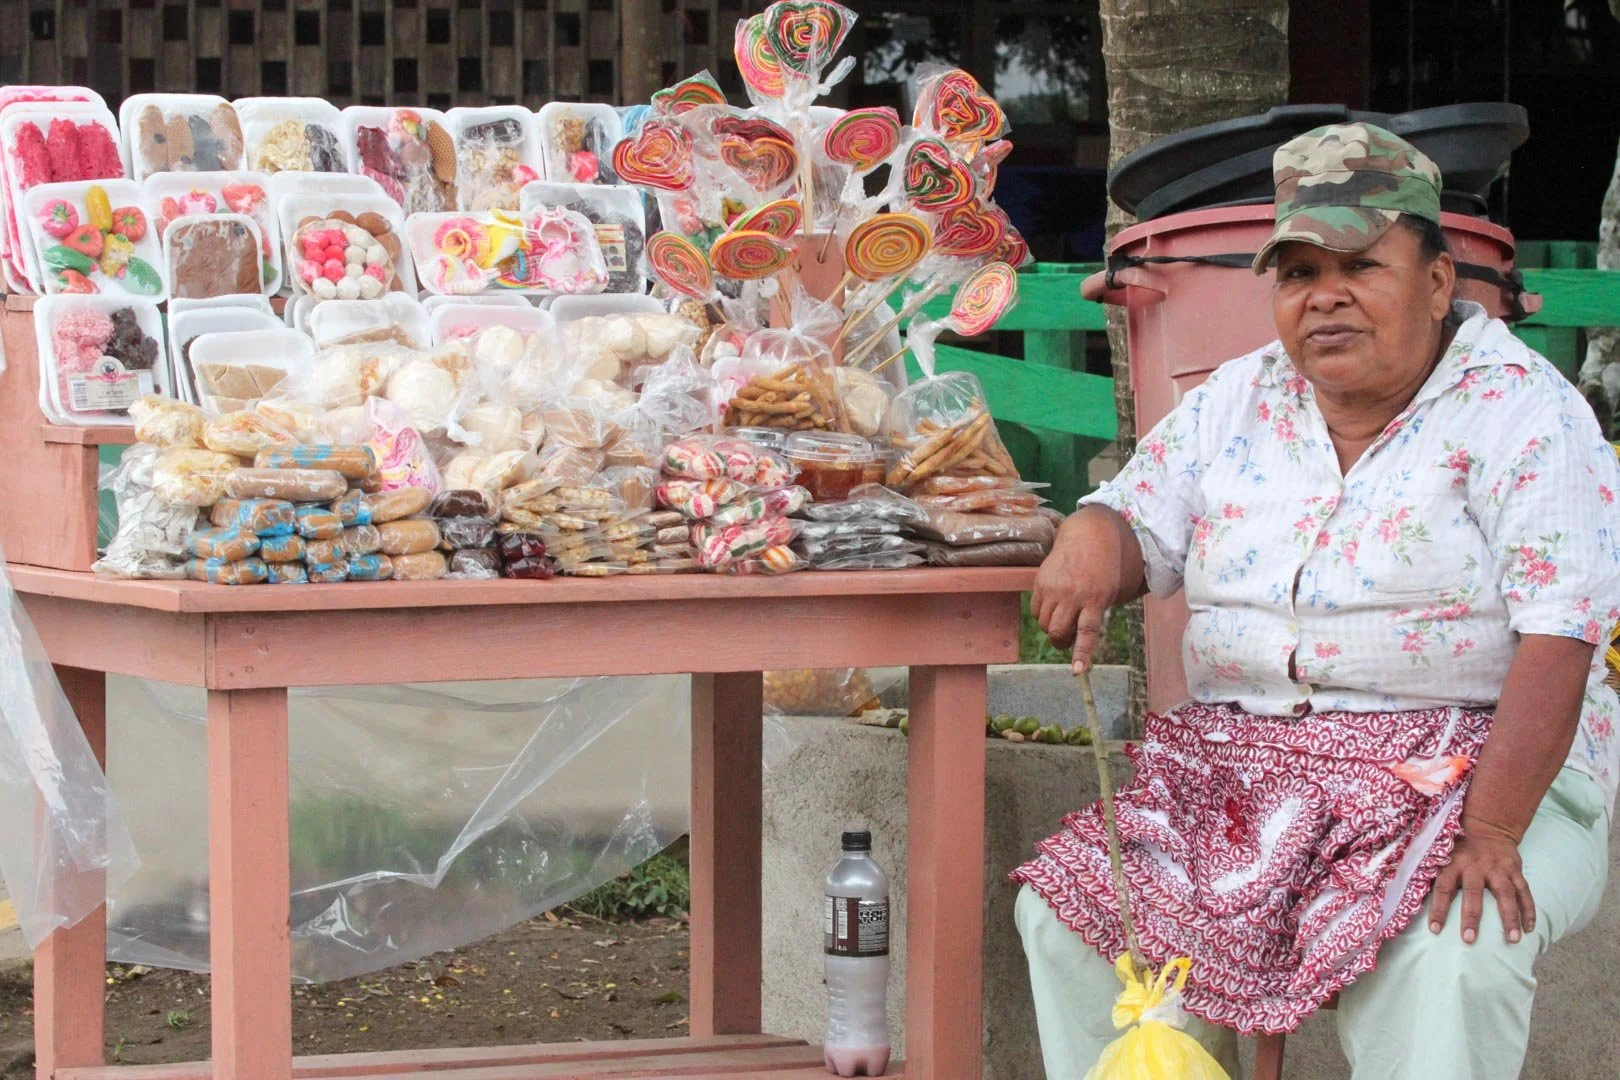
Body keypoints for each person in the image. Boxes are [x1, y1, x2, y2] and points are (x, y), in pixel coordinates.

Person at [1013, 122, 1620, 1080]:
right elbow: (1137, 518)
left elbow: (1562, 634)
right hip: (1247, 778)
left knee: (1450, 951)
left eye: (1360, 265)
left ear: (1437, 281)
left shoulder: (1525, 411)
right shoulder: (1238, 397)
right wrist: (1096, 531)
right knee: (1072, 917)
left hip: (1480, 774)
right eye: (1298, 273)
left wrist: (1494, 830)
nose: (1325, 295)